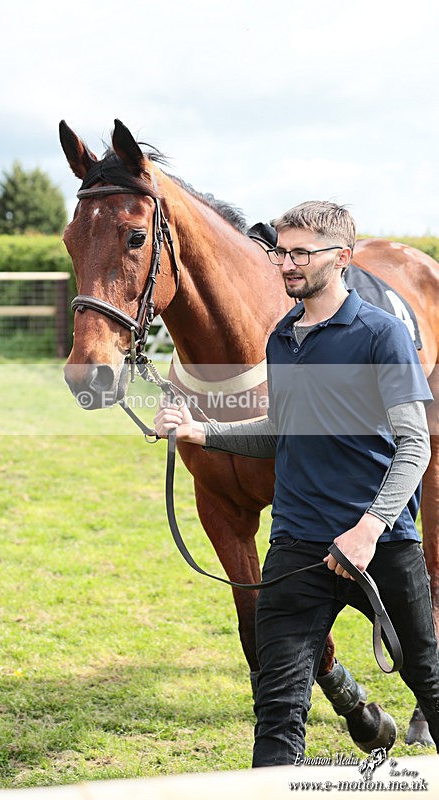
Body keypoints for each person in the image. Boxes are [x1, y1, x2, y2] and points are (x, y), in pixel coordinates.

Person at [153, 201, 439, 767]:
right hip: (297, 550)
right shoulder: (282, 338)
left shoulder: (382, 335)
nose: (287, 263)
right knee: (278, 709)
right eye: (282, 252)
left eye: (301, 253)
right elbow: (280, 432)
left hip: (380, 547)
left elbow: (415, 445)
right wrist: (200, 432)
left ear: (342, 259)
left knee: (429, 682)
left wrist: (369, 528)